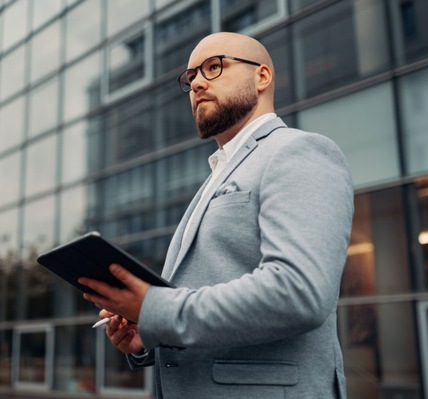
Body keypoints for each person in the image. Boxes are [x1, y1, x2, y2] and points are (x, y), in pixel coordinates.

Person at [79, 32, 354, 398]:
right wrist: (148, 333)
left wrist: (155, 307)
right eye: (191, 77)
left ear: (262, 77)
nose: (197, 83)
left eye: (213, 67)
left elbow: (298, 291)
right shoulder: (217, 176)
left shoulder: (298, 151)